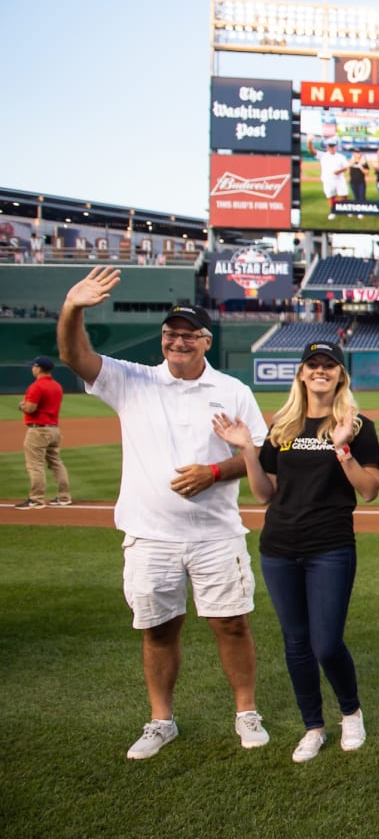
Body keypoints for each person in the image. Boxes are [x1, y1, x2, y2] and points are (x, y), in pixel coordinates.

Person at [57, 269, 270, 760]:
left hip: (216, 534)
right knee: (157, 628)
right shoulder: (133, 380)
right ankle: (160, 720)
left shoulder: (233, 389)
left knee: (232, 624)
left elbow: (259, 455)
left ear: (205, 340)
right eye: (171, 333)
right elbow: (75, 356)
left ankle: (246, 711)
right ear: (163, 339)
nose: (178, 340)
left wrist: (215, 471)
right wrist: (73, 307)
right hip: (150, 534)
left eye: (188, 334)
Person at [212, 340, 379, 763]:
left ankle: (350, 711)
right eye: (313, 365)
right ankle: (313, 726)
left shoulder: (357, 426)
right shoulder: (282, 426)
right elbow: (264, 494)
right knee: (296, 643)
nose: (320, 371)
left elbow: (370, 490)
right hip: (280, 546)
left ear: (341, 375)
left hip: (330, 546)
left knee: (326, 644)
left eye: (329, 365)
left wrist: (341, 447)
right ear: (302, 374)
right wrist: (249, 451)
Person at [16, 355, 71, 509]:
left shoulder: (37, 386)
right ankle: (64, 497)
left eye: (33, 366)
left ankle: (36, 499)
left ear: (38, 368)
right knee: (56, 463)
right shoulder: (57, 386)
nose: (32, 369)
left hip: (38, 430)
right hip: (54, 429)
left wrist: (22, 406)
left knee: (35, 465)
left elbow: (31, 408)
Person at [309, 137, 349, 219]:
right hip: (328, 180)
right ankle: (333, 211)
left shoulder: (341, 157)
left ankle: (345, 210)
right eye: (330, 146)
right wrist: (309, 142)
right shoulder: (323, 155)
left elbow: (346, 168)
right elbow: (312, 151)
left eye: (333, 146)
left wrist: (339, 171)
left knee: (344, 196)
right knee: (331, 196)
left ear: (336, 147)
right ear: (327, 147)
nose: (332, 148)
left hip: (339, 180)